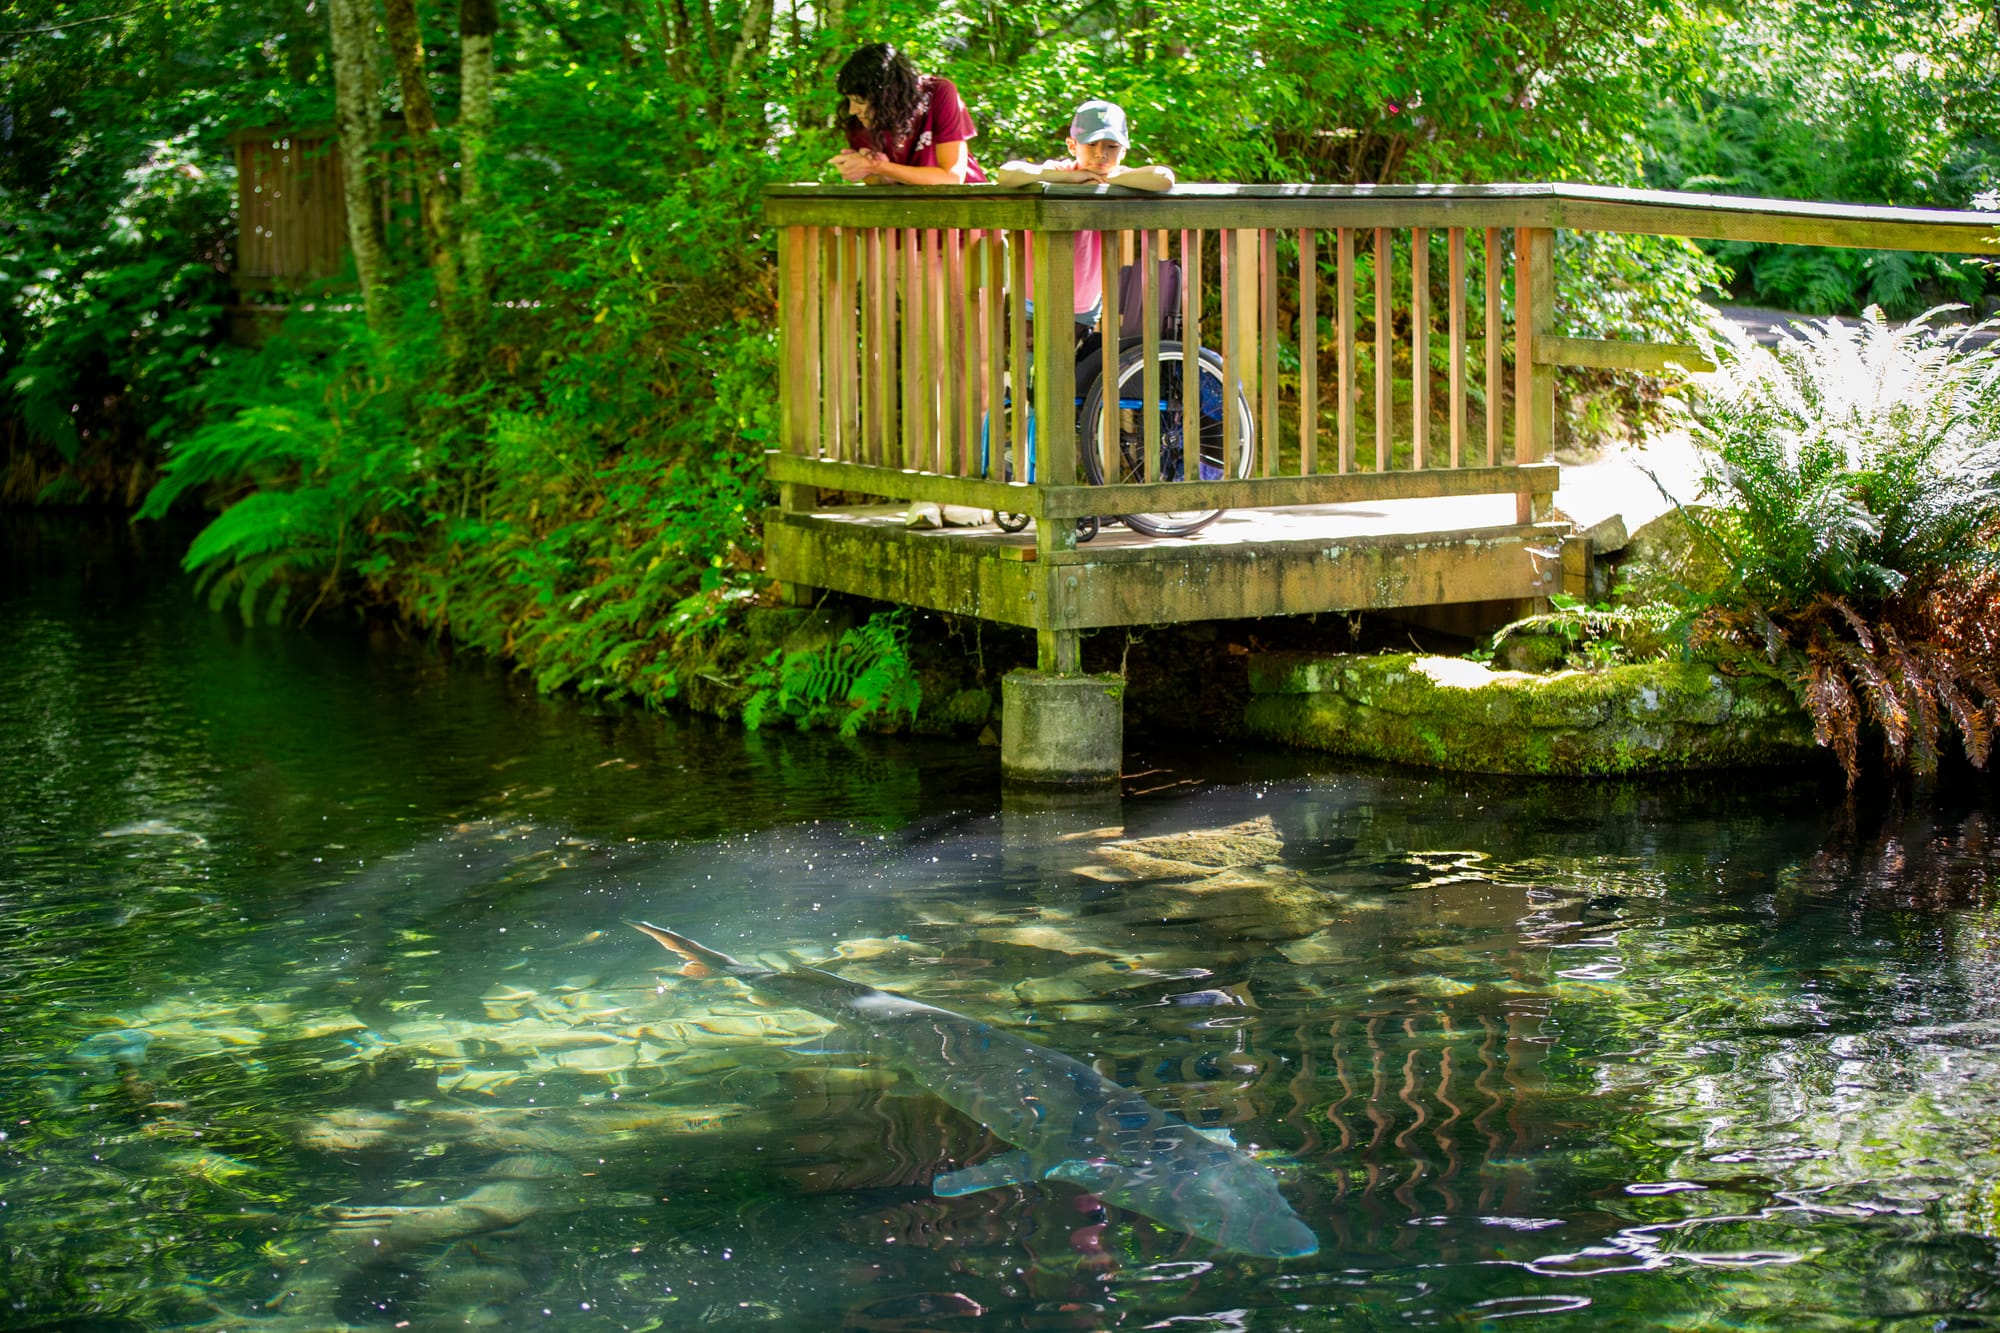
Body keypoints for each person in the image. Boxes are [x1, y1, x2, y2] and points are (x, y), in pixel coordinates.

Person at [994, 100, 1176, 331]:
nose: (1101, 154)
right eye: (1091, 144)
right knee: (1033, 364)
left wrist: (1110, 180)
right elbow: (1007, 174)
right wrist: (1070, 179)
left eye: (1111, 146)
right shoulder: (1059, 172)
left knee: (1079, 366)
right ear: (1072, 146)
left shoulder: (1119, 177)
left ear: (1124, 150)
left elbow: (1164, 177)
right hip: (1035, 296)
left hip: (1087, 303)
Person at [830, 44, 987, 185]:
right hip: (913, 210)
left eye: (860, 101)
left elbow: (951, 178)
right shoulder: (858, 123)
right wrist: (865, 167)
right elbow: (882, 181)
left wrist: (876, 166)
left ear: (887, 95)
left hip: (969, 206)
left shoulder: (939, 93)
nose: (852, 110)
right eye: (850, 100)